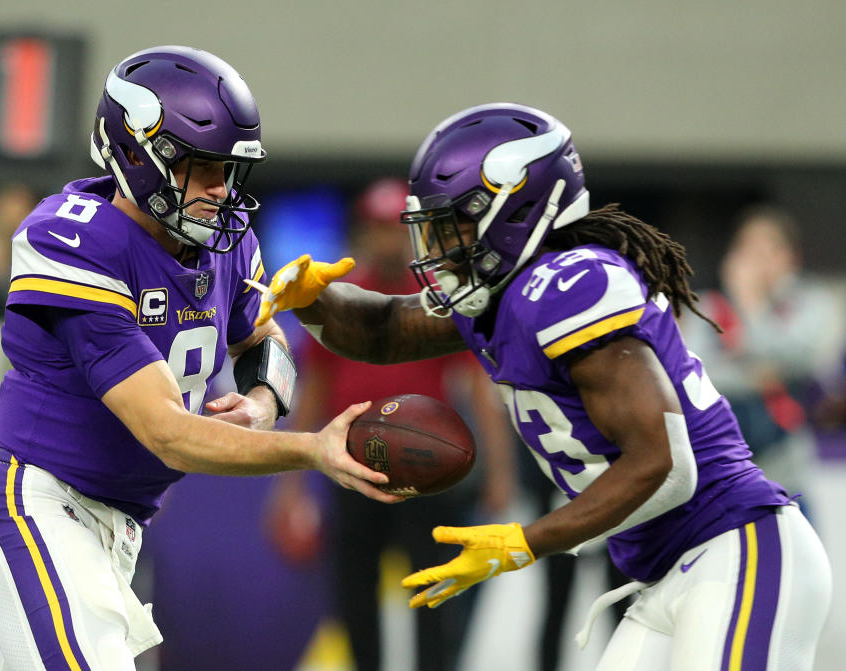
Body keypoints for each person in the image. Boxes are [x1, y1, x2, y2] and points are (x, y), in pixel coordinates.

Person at [253, 103, 832, 670]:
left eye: (452, 225)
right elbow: (383, 331)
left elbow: (664, 462)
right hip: (666, 573)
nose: (436, 249)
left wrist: (526, 541)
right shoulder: (505, 291)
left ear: (515, 213)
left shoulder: (567, 286)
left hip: (737, 546)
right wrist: (312, 300)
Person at [0, 45, 398, 671]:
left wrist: (264, 402)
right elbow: (166, 433)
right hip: (39, 507)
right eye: (199, 166)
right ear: (136, 153)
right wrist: (311, 447)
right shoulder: (75, 240)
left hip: (120, 526)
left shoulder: (223, 244)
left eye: (228, 170)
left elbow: (265, 339)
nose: (219, 190)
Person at [278, 177, 518, 671]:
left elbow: (479, 390)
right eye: (377, 228)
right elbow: (314, 391)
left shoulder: (438, 296)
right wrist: (292, 484)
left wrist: (499, 473)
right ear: (362, 232)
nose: (387, 240)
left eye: (395, 230)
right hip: (351, 464)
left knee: (433, 595)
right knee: (355, 599)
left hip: (426, 473)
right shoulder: (339, 298)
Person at [680, 205, 841, 516]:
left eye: (771, 249)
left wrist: (748, 304)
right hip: (720, 478)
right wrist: (762, 373)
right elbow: (697, 376)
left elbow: (807, 360)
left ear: (792, 257)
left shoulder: (809, 304)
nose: (760, 260)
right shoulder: (707, 308)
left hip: (787, 475)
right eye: (749, 249)